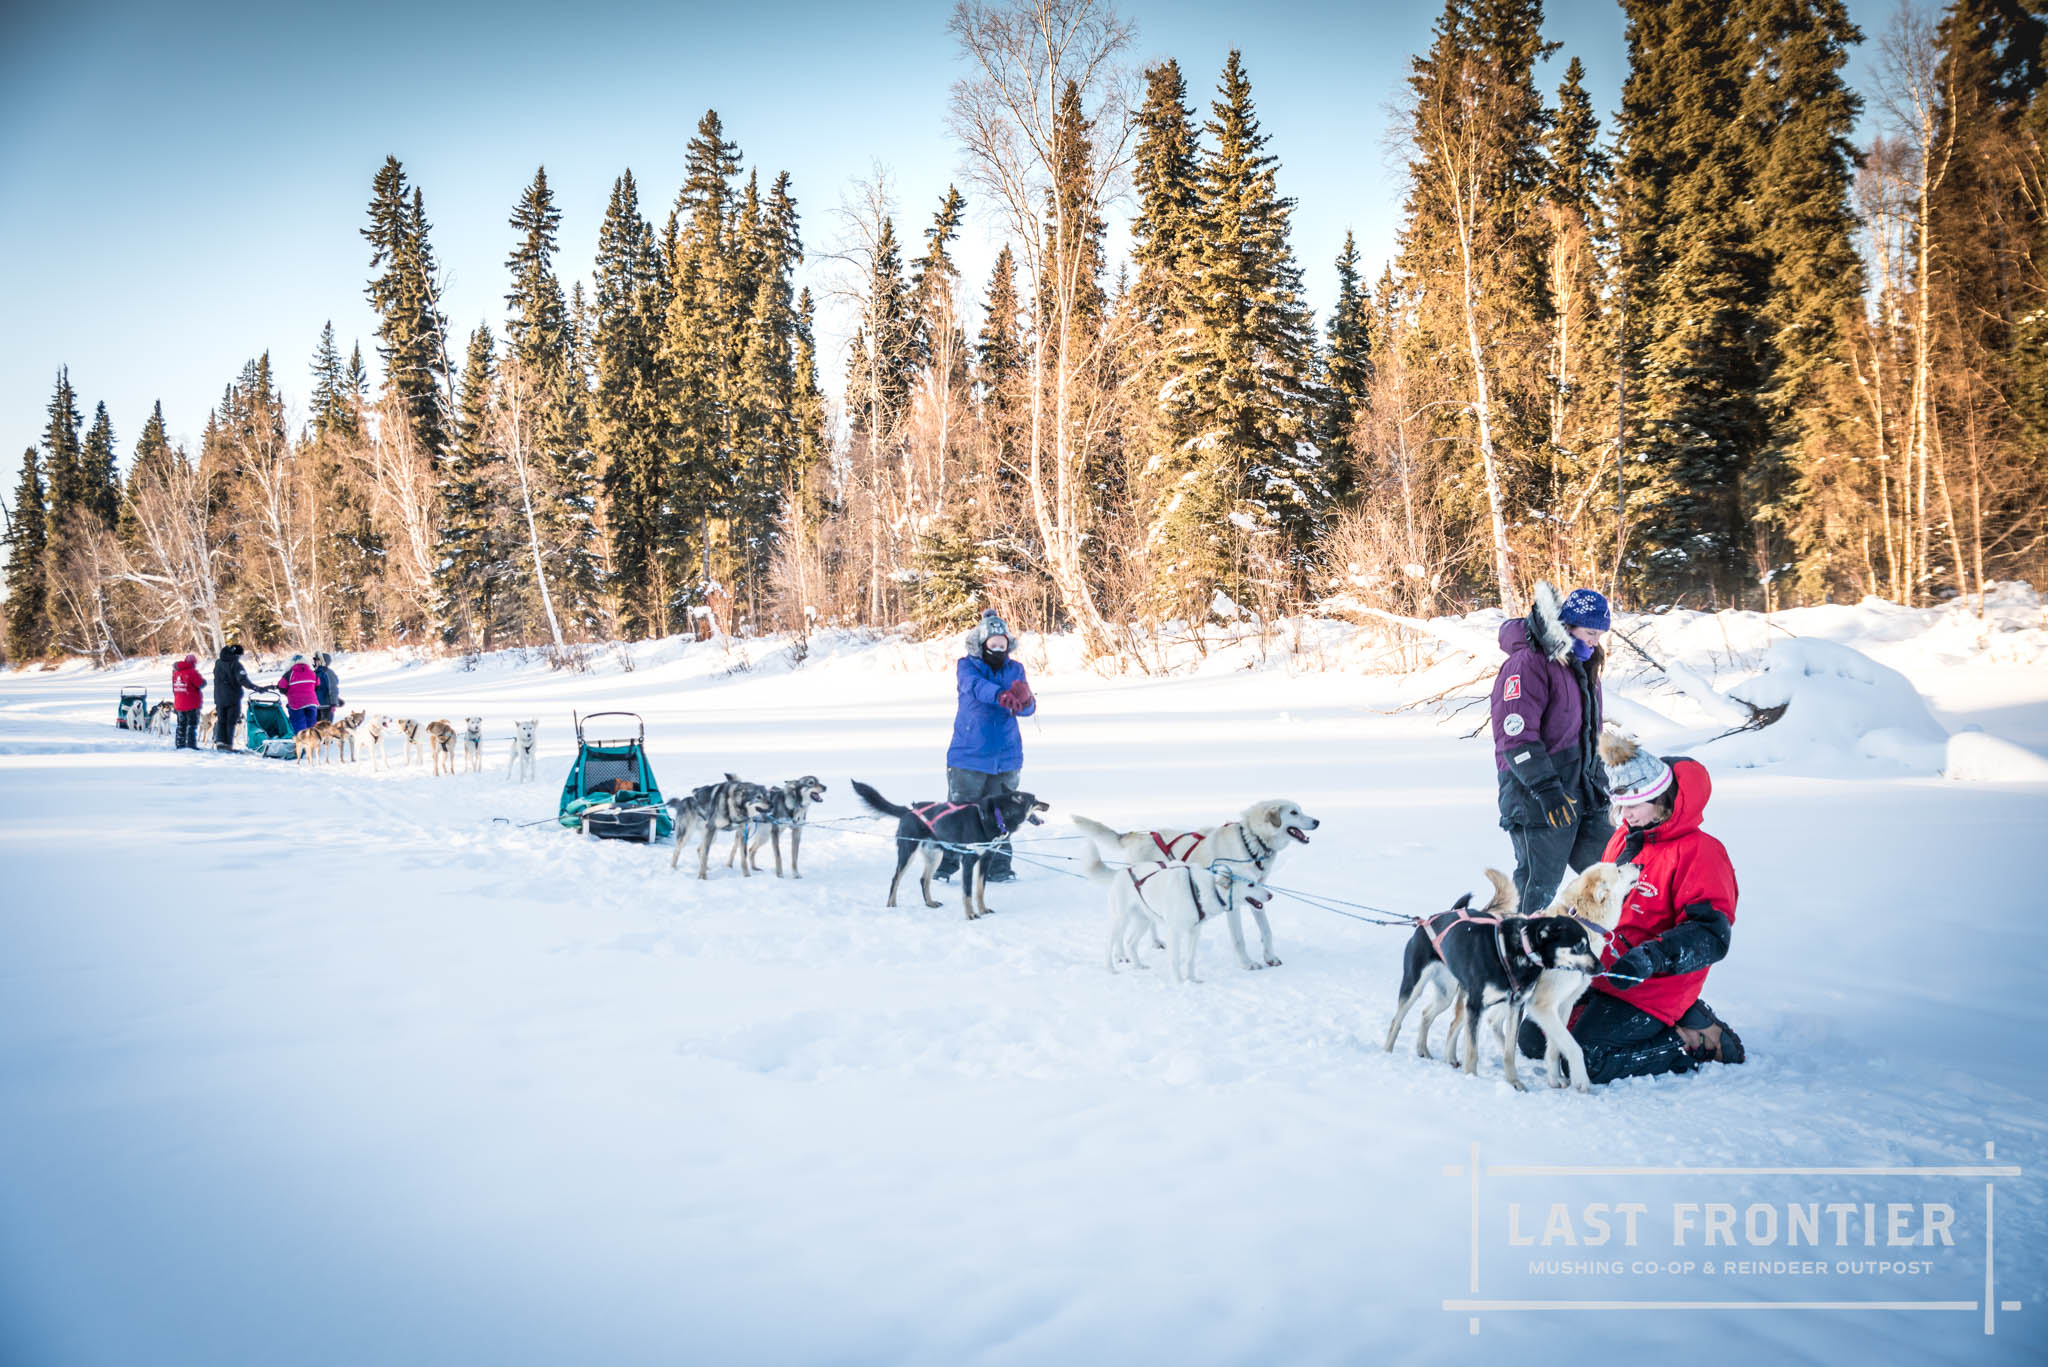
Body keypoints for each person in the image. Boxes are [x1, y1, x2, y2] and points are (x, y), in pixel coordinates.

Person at [1520, 732, 1745, 1084]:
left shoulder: (1700, 853)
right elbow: (1597, 904)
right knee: (1535, 1038)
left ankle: (1691, 1041)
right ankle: (1682, 1018)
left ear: (1663, 800)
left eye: (1633, 806)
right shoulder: (1625, 839)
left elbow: (1710, 936)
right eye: (1620, 806)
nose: (1624, 816)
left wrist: (1652, 957)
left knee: (1587, 1062)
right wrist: (1553, 926)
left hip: (1656, 982)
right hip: (1606, 971)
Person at [1491, 582, 1614, 911]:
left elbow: (1587, 732)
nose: (1594, 640)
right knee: (1538, 886)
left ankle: (1606, 944)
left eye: (1600, 634)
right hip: (1537, 794)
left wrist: (1599, 780)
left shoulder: (1583, 663)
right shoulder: (1528, 663)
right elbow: (1515, 736)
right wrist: (1546, 788)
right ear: (1567, 625)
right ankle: (1514, 951)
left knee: (1610, 872)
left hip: (1584, 792)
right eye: (1590, 632)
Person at [934, 610, 1036, 885]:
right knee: (959, 812)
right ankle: (947, 865)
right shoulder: (967, 666)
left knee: (1003, 815)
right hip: (969, 755)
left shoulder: (1015, 669)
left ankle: (999, 868)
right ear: (981, 644)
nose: (998, 648)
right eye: (993, 644)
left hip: (1007, 757)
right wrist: (1000, 695)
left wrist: (1026, 701)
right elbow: (975, 687)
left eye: (1003, 644)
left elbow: (1027, 707)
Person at [212, 640, 259, 750]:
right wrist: (255, 687)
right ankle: (228, 744)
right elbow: (242, 679)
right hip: (232, 697)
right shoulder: (236, 664)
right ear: (237, 654)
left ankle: (220, 742)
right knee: (231, 721)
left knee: (221, 720)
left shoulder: (218, 662)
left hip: (219, 697)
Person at [170, 653, 206, 750]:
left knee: (181, 724)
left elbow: (174, 688)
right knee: (191, 724)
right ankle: (191, 745)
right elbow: (201, 684)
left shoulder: (176, 673)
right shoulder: (192, 672)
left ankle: (179, 744)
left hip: (179, 703)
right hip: (191, 703)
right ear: (194, 663)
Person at [278, 654, 321, 733]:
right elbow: (317, 685)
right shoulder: (312, 673)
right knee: (311, 723)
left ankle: (301, 741)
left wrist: (288, 693)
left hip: (296, 703)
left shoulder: (289, 674)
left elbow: (281, 687)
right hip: (311, 702)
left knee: (298, 723)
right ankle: (311, 740)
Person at [313, 652, 341, 724]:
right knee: (315, 728)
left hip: (326, 705)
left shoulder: (328, 673)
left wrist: (333, 703)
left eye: (317, 660)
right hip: (315, 705)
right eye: (315, 660)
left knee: (326, 727)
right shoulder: (314, 672)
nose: (315, 661)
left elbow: (333, 689)